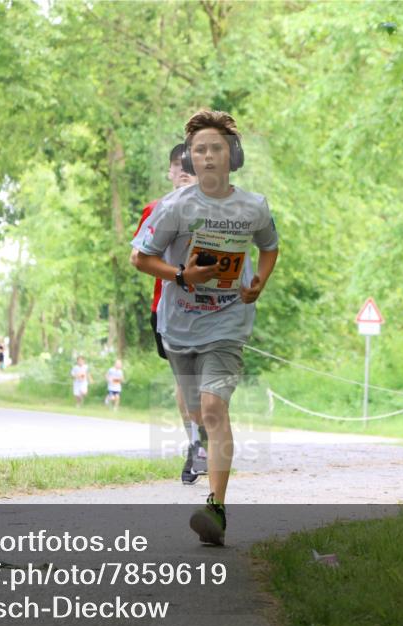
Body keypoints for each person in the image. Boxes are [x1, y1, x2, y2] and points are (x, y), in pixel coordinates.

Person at [132, 110, 279, 545]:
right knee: (196, 412)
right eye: (200, 150)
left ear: (231, 155)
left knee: (215, 409)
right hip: (179, 326)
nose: (209, 156)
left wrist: (259, 283)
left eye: (216, 148)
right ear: (190, 159)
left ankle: (215, 506)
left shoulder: (253, 207)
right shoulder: (175, 206)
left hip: (228, 324)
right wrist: (181, 275)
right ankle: (200, 454)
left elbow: (269, 247)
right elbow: (140, 258)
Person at [130, 143, 208, 485]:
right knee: (186, 380)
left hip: (214, 307)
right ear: (171, 172)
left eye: (193, 164)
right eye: (181, 165)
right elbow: (142, 257)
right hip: (168, 308)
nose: (186, 170)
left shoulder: (218, 208)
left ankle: (208, 437)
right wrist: (180, 274)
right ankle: (196, 444)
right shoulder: (156, 208)